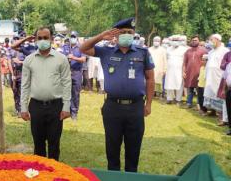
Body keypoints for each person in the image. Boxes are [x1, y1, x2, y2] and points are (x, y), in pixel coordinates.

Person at [80, 17, 155, 172]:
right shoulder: (106, 51)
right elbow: (83, 48)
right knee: (112, 146)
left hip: (135, 107)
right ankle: (114, 177)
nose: (127, 34)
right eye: (123, 32)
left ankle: (131, 179)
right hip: (112, 107)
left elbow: (150, 78)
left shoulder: (143, 52)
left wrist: (148, 104)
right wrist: (101, 36)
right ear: (116, 34)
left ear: (134, 34)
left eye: (130, 32)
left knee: (133, 148)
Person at [21, 26, 71, 161]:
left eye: (46, 38)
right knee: (38, 144)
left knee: (54, 144)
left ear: (51, 39)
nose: (43, 40)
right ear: (35, 40)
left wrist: (66, 107)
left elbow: (67, 83)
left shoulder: (61, 59)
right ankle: (40, 175)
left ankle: (54, 174)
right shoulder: (29, 59)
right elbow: (25, 85)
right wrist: (24, 108)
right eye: (40, 38)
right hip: (36, 107)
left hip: (56, 106)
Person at [204, 34, 229, 125]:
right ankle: (213, 111)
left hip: (219, 77)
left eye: (212, 39)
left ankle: (222, 116)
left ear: (218, 40)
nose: (210, 41)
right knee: (210, 94)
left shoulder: (225, 51)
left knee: (220, 96)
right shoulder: (211, 52)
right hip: (210, 77)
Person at [61, 31, 86, 120]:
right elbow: (61, 57)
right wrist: (66, 57)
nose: (72, 38)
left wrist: (73, 57)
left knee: (75, 93)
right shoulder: (65, 47)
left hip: (76, 72)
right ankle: (65, 111)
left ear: (77, 38)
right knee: (65, 92)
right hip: (66, 72)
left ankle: (74, 112)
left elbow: (83, 59)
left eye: (74, 36)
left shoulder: (81, 48)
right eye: (71, 36)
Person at [183, 35, 207, 108]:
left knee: (199, 89)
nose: (194, 41)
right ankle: (189, 103)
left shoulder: (203, 51)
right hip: (189, 73)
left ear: (199, 41)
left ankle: (199, 104)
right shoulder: (188, 51)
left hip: (199, 73)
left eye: (196, 40)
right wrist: (183, 72)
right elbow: (184, 62)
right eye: (193, 40)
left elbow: (206, 62)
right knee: (190, 88)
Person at [165, 35, 187, 105]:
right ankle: (169, 99)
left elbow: (185, 61)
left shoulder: (184, 49)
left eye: (176, 40)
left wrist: (184, 71)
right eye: (174, 40)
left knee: (179, 84)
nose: (175, 42)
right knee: (169, 84)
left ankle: (178, 100)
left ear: (179, 41)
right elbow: (166, 59)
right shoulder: (168, 49)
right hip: (169, 70)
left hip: (179, 70)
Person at [221, 50, 231, 135]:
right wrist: (224, 90)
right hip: (229, 90)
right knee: (229, 109)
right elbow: (224, 77)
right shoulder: (228, 65)